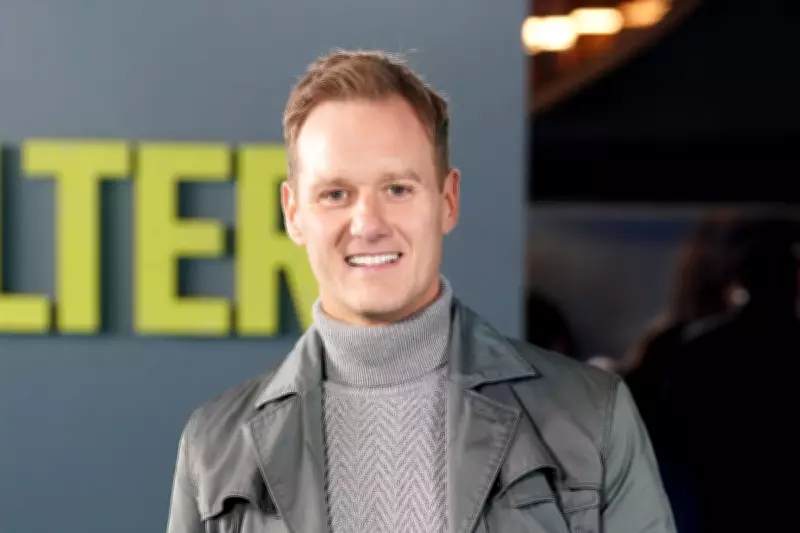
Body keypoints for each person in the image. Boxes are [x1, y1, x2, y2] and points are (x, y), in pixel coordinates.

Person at [165, 49, 676, 533]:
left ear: (447, 201)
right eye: (336, 194)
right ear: (294, 213)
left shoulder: (592, 417)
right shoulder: (213, 448)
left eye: (397, 189)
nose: (368, 224)